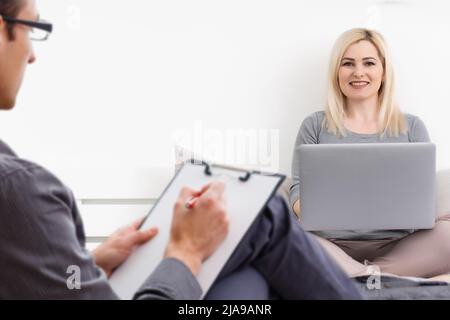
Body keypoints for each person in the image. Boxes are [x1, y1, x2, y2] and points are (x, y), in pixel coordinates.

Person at [0, 0, 361, 299]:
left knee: (246, 283)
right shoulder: (18, 189)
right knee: (262, 214)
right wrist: (185, 251)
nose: (31, 53)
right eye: (32, 29)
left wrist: (91, 265)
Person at [290, 28, 450, 281]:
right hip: (330, 243)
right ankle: (379, 277)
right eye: (348, 64)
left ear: (383, 72)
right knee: (288, 237)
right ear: (337, 72)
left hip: (400, 244)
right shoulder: (314, 125)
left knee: (448, 236)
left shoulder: (412, 126)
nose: (358, 72)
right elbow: (298, 191)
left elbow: (423, 195)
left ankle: (358, 277)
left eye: (369, 63)